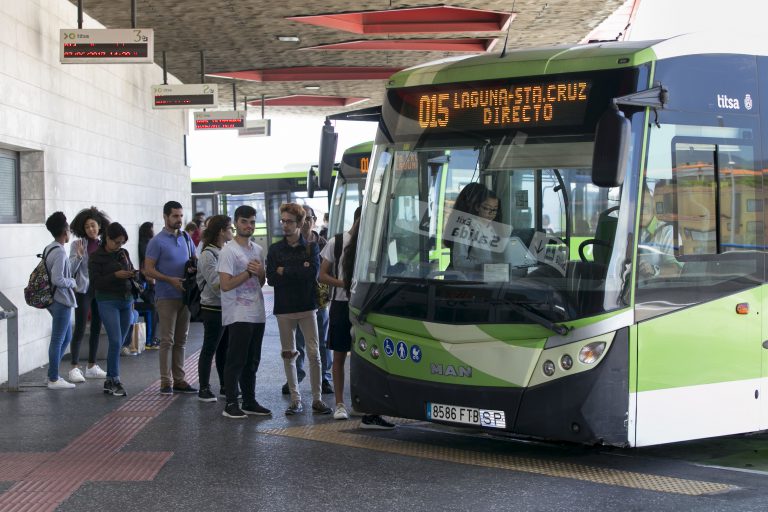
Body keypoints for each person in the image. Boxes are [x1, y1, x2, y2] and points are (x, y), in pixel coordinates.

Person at [319, 206, 395, 429]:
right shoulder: (338, 241)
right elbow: (322, 274)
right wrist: (344, 284)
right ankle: (340, 404)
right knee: (340, 354)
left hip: (368, 306)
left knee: (370, 356)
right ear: (361, 219)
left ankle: (369, 408)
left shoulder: (377, 242)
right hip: (342, 305)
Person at [267, 203, 332, 416]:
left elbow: (311, 274)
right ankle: (295, 399)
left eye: (290, 222)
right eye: (283, 221)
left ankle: (317, 399)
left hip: (307, 306)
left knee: (314, 353)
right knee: (289, 354)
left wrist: (285, 269)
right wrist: (296, 269)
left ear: (300, 223)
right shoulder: (275, 249)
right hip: (284, 308)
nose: (285, 225)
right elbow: (272, 279)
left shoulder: (311, 248)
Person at [218, 205, 271, 418]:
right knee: (236, 359)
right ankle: (231, 402)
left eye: (252, 222)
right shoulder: (228, 251)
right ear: (236, 223)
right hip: (238, 312)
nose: (249, 226)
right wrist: (248, 273)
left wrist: (259, 272)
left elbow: (262, 280)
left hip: (257, 311)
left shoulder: (257, 250)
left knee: (252, 360)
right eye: (244, 222)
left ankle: (249, 400)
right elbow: (225, 285)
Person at [143, 201, 198, 395]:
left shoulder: (185, 237)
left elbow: (194, 260)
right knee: (167, 340)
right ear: (165, 217)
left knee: (181, 340)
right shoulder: (157, 242)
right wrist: (168, 279)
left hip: (185, 295)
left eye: (181, 216)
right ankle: (166, 382)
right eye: (175, 216)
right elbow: (147, 269)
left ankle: (180, 380)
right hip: (166, 296)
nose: (179, 220)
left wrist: (192, 268)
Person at [281, 205, 333, 396]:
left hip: (319, 301)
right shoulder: (289, 245)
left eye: (310, 219)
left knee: (322, 341)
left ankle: (324, 378)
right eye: (303, 219)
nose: (306, 223)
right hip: (297, 301)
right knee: (298, 342)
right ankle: (298, 376)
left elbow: (324, 272)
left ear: (313, 221)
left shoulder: (323, 244)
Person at [89, 222, 136, 397]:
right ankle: (114, 378)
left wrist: (133, 274)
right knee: (115, 340)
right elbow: (95, 282)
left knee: (120, 341)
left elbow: (129, 268)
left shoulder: (123, 253)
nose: (119, 246)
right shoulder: (96, 257)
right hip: (107, 301)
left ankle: (110, 379)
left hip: (126, 299)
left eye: (122, 243)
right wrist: (115, 275)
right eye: (116, 242)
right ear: (107, 238)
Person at [66, 206, 110, 383]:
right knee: (80, 327)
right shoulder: (77, 245)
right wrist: (78, 257)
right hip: (83, 291)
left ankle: (92, 366)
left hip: (99, 291)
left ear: (99, 226)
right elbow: (69, 270)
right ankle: (74, 368)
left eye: (93, 225)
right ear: (82, 230)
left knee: (96, 328)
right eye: (87, 227)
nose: (91, 229)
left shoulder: (104, 245)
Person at [43, 212, 84, 390]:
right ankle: (53, 378)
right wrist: (73, 283)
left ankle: (53, 373)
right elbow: (58, 279)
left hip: (55, 300)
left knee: (65, 337)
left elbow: (65, 271)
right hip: (61, 301)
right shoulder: (59, 252)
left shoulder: (51, 248)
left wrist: (78, 258)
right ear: (64, 230)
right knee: (58, 339)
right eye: (68, 228)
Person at [196, 214, 233, 402]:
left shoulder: (223, 250)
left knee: (223, 349)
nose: (232, 232)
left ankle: (225, 386)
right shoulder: (207, 255)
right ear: (221, 231)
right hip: (212, 309)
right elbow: (216, 284)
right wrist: (235, 283)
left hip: (225, 308)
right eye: (230, 229)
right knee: (210, 348)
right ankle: (203, 388)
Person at [444, 183, 507, 275]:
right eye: (486, 207)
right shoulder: (466, 228)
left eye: (494, 209)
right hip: (469, 283)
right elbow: (460, 263)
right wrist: (483, 266)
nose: (491, 213)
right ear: (476, 206)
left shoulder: (491, 228)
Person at [638, 184, 680, 279]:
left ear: (653, 205)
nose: (639, 212)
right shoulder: (626, 230)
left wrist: (653, 270)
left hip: (655, 289)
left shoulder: (667, 232)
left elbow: (676, 270)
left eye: (643, 207)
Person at [137, 221, 159, 349]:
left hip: (148, 284)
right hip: (146, 285)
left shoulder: (146, 243)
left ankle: (151, 339)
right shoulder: (146, 245)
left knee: (153, 306)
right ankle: (150, 340)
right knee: (152, 307)